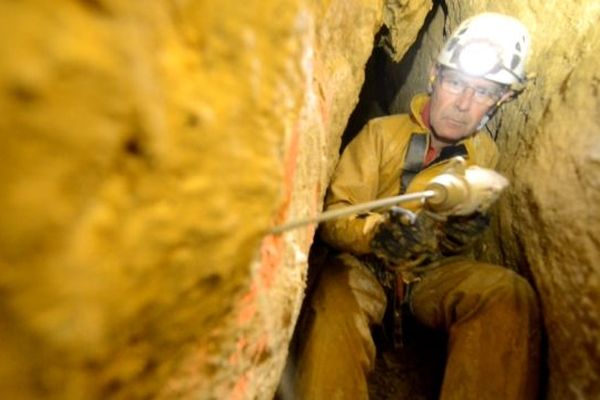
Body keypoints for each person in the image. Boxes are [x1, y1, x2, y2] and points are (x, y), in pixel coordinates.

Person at [292, 12, 541, 400]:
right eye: (456, 83)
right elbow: (335, 217)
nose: (462, 104)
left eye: (482, 92)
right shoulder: (380, 134)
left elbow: (454, 240)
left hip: (429, 274)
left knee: (506, 292)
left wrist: (457, 233)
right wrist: (379, 233)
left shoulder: (484, 154)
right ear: (434, 79)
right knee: (333, 303)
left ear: (501, 100)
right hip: (365, 266)